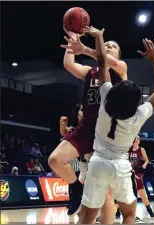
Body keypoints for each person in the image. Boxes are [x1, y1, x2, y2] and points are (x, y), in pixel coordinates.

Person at [78, 26, 154, 224]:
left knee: (88, 216)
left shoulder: (105, 98)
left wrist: (99, 37)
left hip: (98, 163)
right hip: (120, 166)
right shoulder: (138, 115)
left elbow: (102, 63)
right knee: (128, 214)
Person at [48, 26, 127, 218]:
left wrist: (84, 49)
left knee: (106, 194)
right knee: (55, 160)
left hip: (107, 132)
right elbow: (69, 64)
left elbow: (106, 60)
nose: (108, 47)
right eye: (106, 44)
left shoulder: (120, 69)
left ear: (118, 54)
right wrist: (73, 40)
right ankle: (76, 188)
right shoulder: (91, 72)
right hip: (87, 127)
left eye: (112, 46)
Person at [129, 136, 154, 219]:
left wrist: (144, 165)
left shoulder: (141, 149)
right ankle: (118, 211)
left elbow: (147, 160)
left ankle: (149, 210)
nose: (136, 140)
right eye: (135, 138)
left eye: (138, 139)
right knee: (124, 193)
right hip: (128, 172)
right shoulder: (128, 149)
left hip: (137, 172)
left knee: (142, 193)